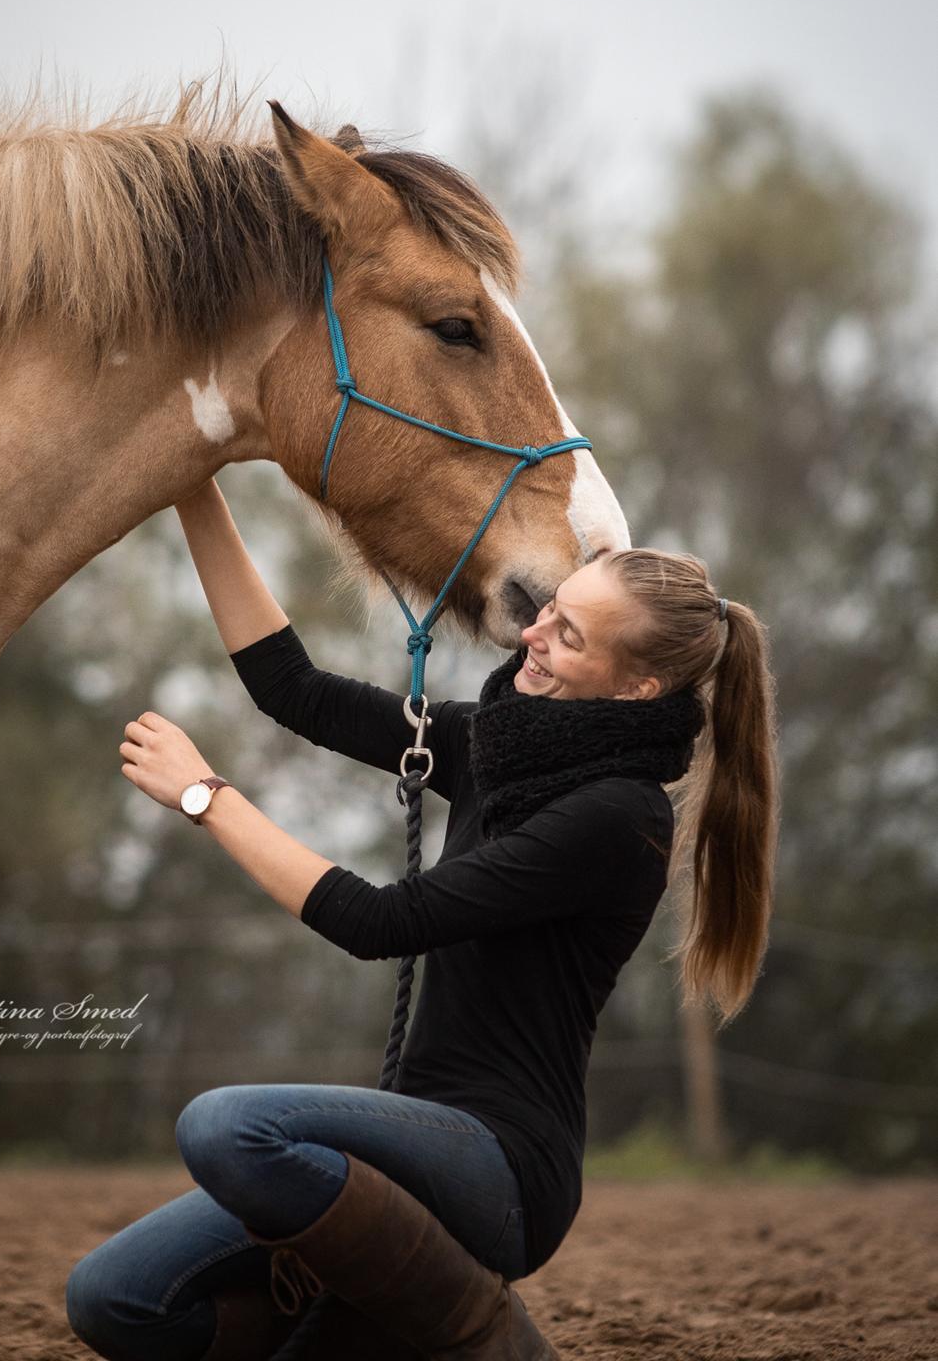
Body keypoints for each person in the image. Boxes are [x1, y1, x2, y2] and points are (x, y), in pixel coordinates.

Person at [65, 478, 780, 1361]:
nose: (532, 635)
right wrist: (194, 491)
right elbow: (296, 691)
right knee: (110, 1300)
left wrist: (208, 797)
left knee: (225, 1127)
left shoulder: (618, 816)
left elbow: (379, 922)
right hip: (407, 1145)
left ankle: (483, 1331)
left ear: (639, 687)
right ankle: (347, 1304)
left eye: (568, 635)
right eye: (549, 610)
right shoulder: (499, 742)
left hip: (503, 1171)